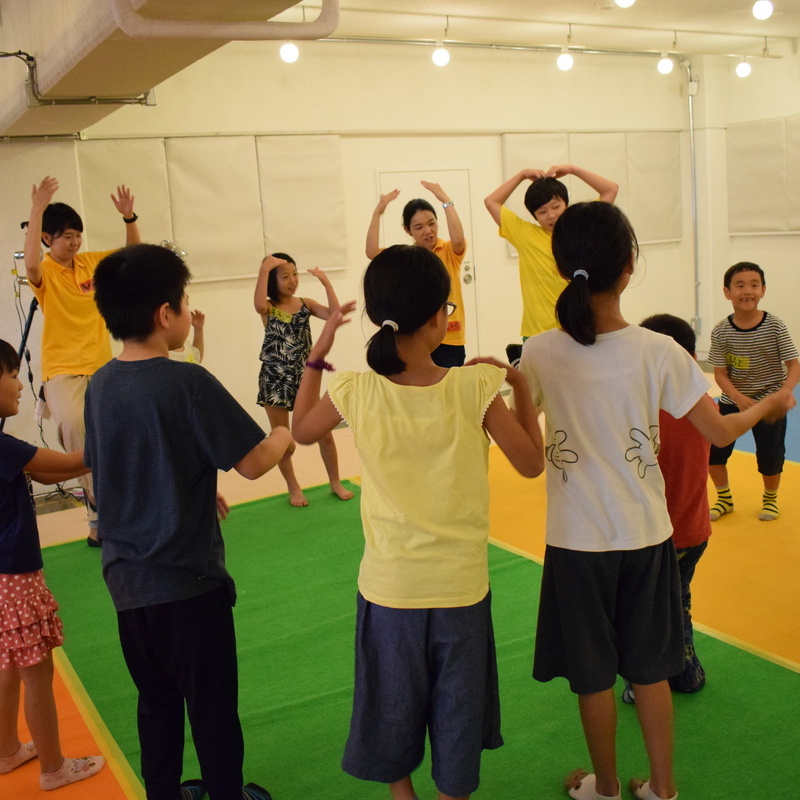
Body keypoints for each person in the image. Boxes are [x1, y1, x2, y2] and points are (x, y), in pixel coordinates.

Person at [517, 203, 794, 800]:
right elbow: (721, 432)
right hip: (647, 536)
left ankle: (606, 787)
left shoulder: (537, 352)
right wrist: (767, 407)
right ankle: (663, 790)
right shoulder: (660, 350)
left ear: (564, 267)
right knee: (650, 671)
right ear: (631, 265)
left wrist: (506, 394)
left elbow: (525, 455)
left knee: (591, 676)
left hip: (576, 544)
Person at [292, 244, 544, 800]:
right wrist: (522, 390)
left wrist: (321, 351)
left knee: (391, 708)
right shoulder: (476, 387)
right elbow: (532, 464)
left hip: (389, 590)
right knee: (458, 714)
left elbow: (302, 431)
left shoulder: (355, 389)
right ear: (439, 318)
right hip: (460, 590)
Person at [84, 244, 294, 800]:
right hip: (188, 586)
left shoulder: (100, 385)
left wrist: (196, 487)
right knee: (213, 711)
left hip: (128, 586)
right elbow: (253, 463)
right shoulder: (186, 383)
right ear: (164, 315)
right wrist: (283, 434)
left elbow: (123, 466)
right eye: (182, 303)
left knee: (156, 707)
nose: (185, 312)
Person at [0, 339, 105, 791]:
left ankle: (6, 751)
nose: (20, 385)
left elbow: (45, 472)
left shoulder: (8, 451)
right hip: (15, 573)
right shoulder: (2, 448)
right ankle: (54, 767)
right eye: (10, 375)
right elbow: (66, 462)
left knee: (7, 664)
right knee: (37, 668)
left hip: (2, 575)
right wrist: (106, 434)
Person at [23, 175, 141, 546]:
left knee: (114, 439)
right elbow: (28, 264)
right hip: (62, 370)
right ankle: (101, 505)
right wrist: (37, 209)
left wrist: (128, 218)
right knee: (76, 433)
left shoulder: (91, 264)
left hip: (103, 366)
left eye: (77, 235)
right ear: (48, 238)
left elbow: (133, 258)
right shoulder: (44, 272)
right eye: (65, 236)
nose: (74, 242)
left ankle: (98, 523)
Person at [623, 314, 715, 699]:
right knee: (678, 599)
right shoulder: (702, 404)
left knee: (642, 609)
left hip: (653, 535)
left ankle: (643, 678)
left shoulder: (643, 409)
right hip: (693, 532)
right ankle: (686, 667)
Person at [254, 252, 353, 506]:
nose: (293, 280)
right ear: (271, 281)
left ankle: (335, 481)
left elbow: (334, 315)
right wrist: (264, 269)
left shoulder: (305, 304)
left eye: (295, 274)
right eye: (285, 276)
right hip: (275, 378)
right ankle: (294, 487)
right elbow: (257, 305)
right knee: (282, 436)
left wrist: (327, 283)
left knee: (324, 432)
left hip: (303, 378)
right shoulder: (269, 307)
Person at [707, 262, 799, 522]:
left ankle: (770, 500)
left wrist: (785, 392)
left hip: (770, 403)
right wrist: (737, 398)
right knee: (714, 452)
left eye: (754, 285)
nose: (747, 290)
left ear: (763, 290)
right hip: (732, 401)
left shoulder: (775, 326)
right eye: (739, 285)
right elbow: (720, 374)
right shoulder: (721, 330)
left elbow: (793, 365)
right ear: (727, 292)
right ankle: (724, 499)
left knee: (770, 456)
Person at [484, 164, 618, 340]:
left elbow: (610, 189)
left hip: (578, 325)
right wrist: (522, 175)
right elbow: (491, 201)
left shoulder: (581, 228)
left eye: (556, 206)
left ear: (566, 203)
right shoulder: (525, 234)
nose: (551, 215)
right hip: (537, 331)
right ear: (534, 215)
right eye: (542, 212)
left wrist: (573, 170)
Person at [366, 181, 468, 367]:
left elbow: (459, 240)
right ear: (408, 230)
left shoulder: (448, 251)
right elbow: (372, 252)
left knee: (450, 390)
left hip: (450, 336)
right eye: (419, 227)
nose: (428, 231)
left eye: (431, 223)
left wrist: (446, 200)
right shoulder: (407, 258)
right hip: (417, 337)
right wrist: (377, 213)